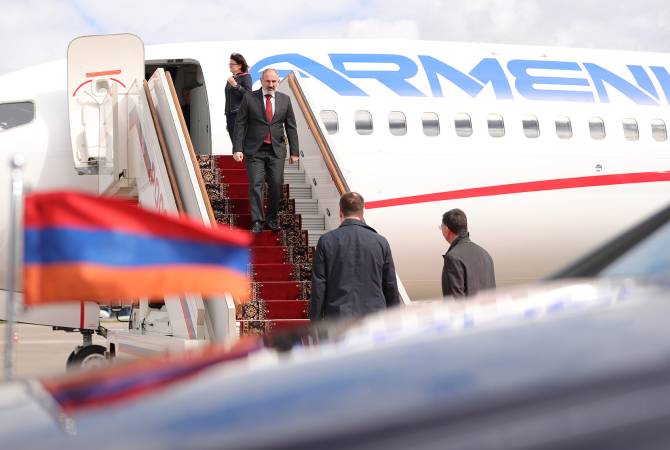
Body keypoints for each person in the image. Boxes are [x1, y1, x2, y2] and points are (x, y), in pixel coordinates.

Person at [310, 192, 400, 321]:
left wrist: (315, 323)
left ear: (340, 212)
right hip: (374, 320)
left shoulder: (326, 241)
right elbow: (390, 286)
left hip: (338, 320)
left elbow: (319, 286)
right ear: (362, 213)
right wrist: (395, 321)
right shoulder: (381, 242)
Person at [233, 68, 299, 233]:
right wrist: (237, 148)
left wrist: (294, 151)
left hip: (276, 150)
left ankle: (272, 218)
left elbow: (291, 126)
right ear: (261, 81)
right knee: (256, 184)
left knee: (276, 184)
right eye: (268, 81)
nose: (271, 84)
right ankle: (257, 220)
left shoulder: (285, 100)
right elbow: (240, 123)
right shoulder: (249, 98)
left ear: (278, 82)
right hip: (255, 150)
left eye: (274, 81)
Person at [440, 208, 496, 298]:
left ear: (446, 229)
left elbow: (454, 300)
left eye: (441, 227)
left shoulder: (453, 258)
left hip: (468, 308)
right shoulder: (486, 255)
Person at [225, 53, 252, 143]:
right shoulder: (232, 78)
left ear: (240, 65)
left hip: (239, 115)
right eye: (230, 64)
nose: (230, 66)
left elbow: (249, 96)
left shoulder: (246, 77)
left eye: (232, 64)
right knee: (235, 144)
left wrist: (236, 86)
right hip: (230, 116)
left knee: (240, 144)